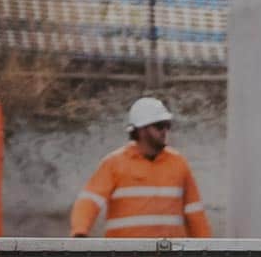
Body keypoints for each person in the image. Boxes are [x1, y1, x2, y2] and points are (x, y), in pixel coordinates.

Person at [70, 96, 213, 239]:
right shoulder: (114, 163)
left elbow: (194, 211)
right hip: (124, 256)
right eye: (159, 126)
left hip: (169, 256)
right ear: (141, 130)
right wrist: (80, 232)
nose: (165, 131)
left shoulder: (178, 163)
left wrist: (206, 249)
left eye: (167, 125)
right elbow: (89, 201)